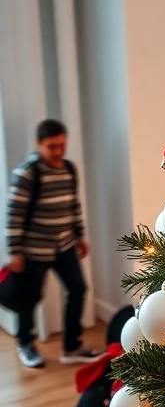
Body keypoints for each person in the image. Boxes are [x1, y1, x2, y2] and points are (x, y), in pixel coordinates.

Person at [4, 119, 104, 368]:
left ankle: (72, 347)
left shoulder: (69, 169)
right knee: (29, 298)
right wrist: (15, 252)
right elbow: (14, 214)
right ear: (39, 144)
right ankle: (25, 344)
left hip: (64, 246)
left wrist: (80, 236)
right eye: (52, 147)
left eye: (62, 145)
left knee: (78, 289)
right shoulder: (28, 173)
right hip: (34, 250)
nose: (58, 151)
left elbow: (73, 206)